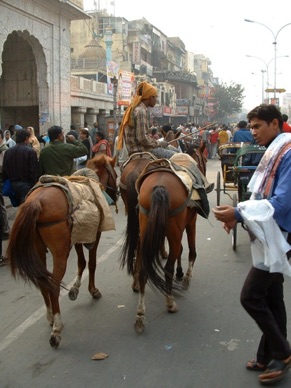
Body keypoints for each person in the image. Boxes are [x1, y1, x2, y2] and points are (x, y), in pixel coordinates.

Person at [213, 103, 291, 386]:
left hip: (280, 232)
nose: (253, 132)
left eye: (258, 126)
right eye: (252, 126)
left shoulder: (288, 152)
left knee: (251, 296)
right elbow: (260, 193)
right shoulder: (274, 150)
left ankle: (282, 353)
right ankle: (267, 354)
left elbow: (281, 203)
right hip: (269, 231)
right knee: (272, 296)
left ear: (275, 124)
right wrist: (241, 215)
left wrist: (238, 213)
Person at [117, 81, 176, 159]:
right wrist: (160, 143)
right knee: (177, 155)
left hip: (138, 149)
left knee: (172, 148)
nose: (156, 100)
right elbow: (142, 138)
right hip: (143, 151)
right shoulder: (141, 111)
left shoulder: (136, 109)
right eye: (155, 97)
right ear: (150, 97)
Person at [2, 129, 39, 205]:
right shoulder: (30, 152)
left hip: (12, 184)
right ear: (26, 138)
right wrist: (34, 185)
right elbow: (33, 170)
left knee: (20, 206)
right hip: (26, 185)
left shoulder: (8, 151)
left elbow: (4, 169)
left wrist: (6, 182)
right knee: (25, 208)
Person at [0, 130, 10, 239]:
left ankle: (5, 229)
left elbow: (3, 166)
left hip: (1, 179)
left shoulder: (5, 150)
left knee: (1, 206)